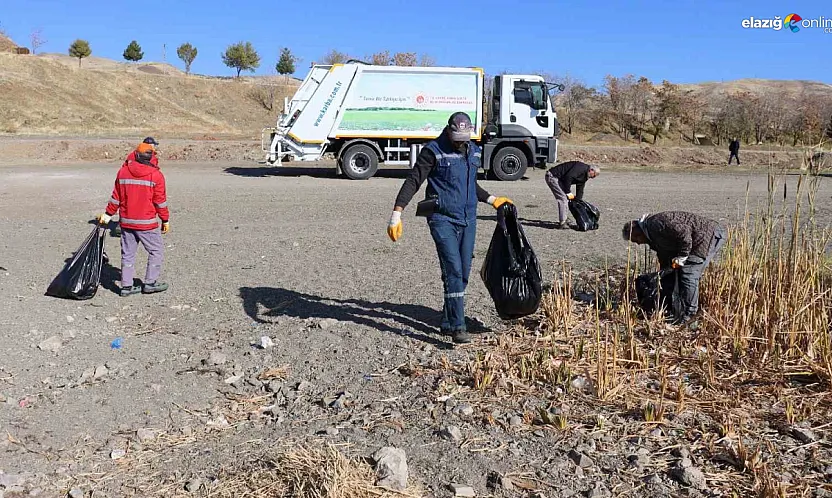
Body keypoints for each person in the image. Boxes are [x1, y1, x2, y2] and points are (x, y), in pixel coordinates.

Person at [387, 112, 512, 344]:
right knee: (453, 270)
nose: (460, 141)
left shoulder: (472, 150)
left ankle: (446, 320)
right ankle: (457, 325)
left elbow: (469, 183)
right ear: (448, 130)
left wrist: (492, 199)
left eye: (464, 136)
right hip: (441, 218)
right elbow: (414, 180)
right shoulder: (433, 151)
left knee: (463, 272)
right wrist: (397, 213)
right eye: (456, 136)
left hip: (468, 218)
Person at [621, 211, 726, 324]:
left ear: (637, 233)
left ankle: (689, 316)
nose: (638, 244)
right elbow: (664, 255)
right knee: (674, 275)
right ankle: (674, 310)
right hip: (697, 240)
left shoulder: (656, 224)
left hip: (706, 236)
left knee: (688, 274)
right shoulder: (651, 236)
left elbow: (684, 235)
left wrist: (682, 256)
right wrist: (665, 272)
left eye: (636, 240)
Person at [97, 142, 170, 296]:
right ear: (152, 157)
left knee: (127, 254)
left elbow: (116, 198)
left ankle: (126, 287)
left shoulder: (123, 172)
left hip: (127, 222)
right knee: (156, 251)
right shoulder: (156, 175)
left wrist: (108, 215)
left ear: (136, 155)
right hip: (147, 224)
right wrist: (165, 220)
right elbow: (160, 202)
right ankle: (150, 283)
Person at [544, 160, 600, 229]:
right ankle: (562, 222)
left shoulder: (585, 176)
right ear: (591, 170)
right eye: (594, 175)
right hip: (552, 176)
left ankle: (564, 217)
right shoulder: (581, 168)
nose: (593, 178)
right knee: (563, 199)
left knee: (567, 199)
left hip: (560, 179)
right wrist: (568, 192)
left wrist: (578, 201)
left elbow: (580, 189)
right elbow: (568, 177)